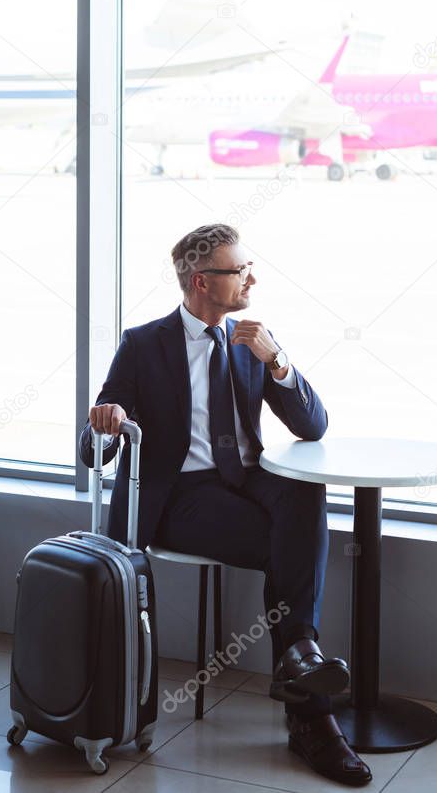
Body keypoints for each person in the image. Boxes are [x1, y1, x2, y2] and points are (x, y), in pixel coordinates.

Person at [79, 222, 371, 786]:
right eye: (240, 271)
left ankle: (300, 656)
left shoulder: (248, 340)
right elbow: (94, 451)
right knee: (291, 551)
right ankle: (310, 710)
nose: (251, 280)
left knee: (306, 488)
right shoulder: (144, 344)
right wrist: (106, 426)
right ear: (201, 282)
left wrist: (277, 360)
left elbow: (313, 427)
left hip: (246, 480)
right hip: (178, 495)